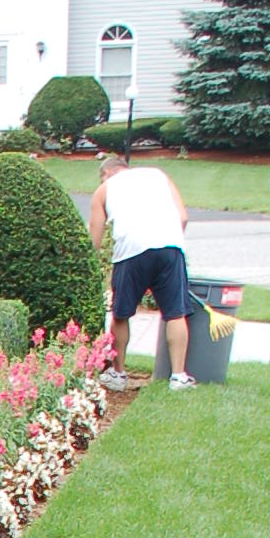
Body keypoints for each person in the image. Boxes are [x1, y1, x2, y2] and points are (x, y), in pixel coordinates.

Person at [89, 150, 195, 392]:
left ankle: (118, 374)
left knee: (121, 313)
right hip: (171, 245)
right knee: (175, 313)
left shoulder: (104, 190)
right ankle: (179, 377)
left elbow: (93, 242)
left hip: (131, 251)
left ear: (106, 173)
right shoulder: (158, 175)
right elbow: (183, 217)